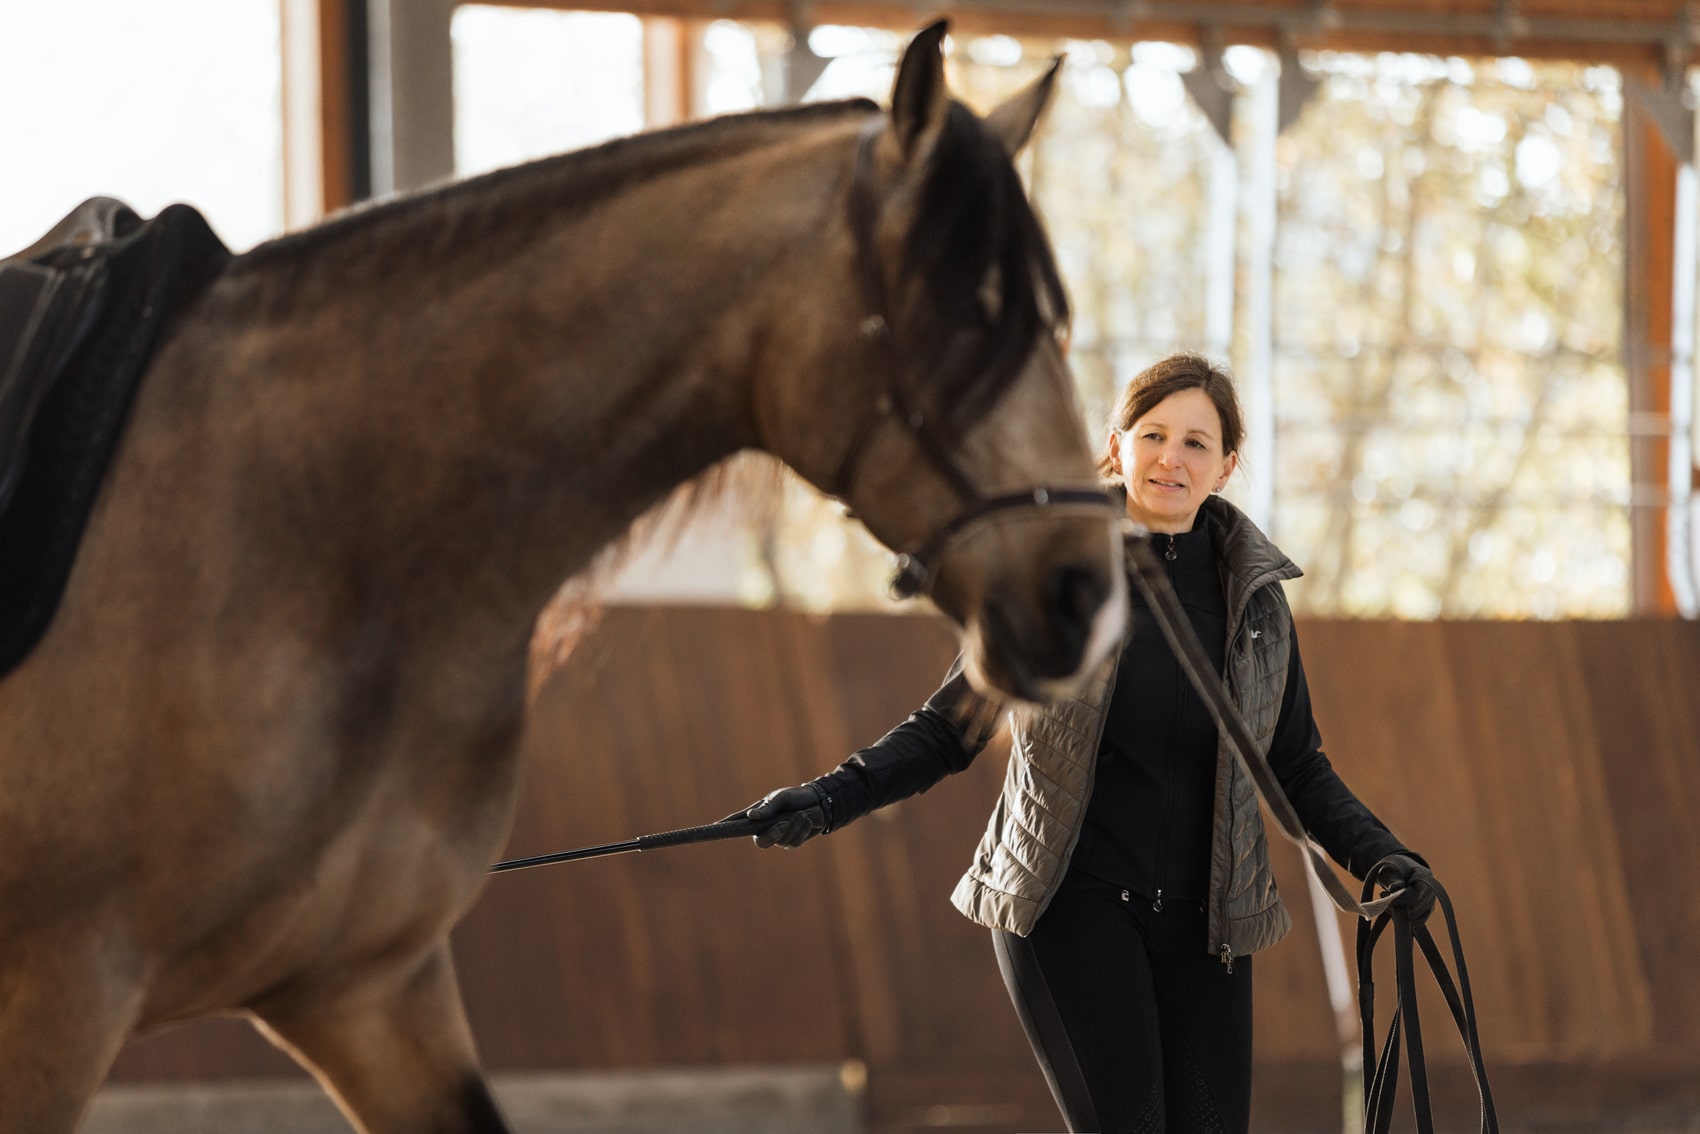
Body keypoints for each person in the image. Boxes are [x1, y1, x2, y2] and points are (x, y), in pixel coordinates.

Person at [737, 351, 1433, 1134]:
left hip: (1209, 926)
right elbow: (948, 729)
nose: (1171, 456)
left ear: (1227, 465)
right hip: (1072, 908)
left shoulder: (1260, 606)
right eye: (1153, 433)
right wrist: (828, 798)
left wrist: (1382, 857)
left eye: (1197, 443)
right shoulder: (1049, 580)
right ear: (1117, 444)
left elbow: (1297, 765)